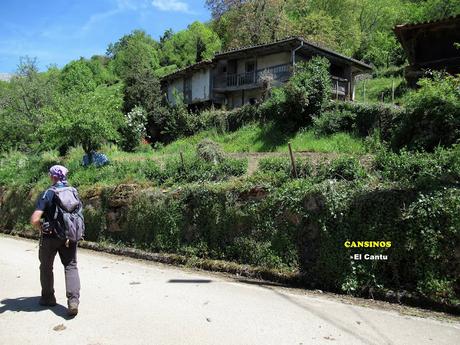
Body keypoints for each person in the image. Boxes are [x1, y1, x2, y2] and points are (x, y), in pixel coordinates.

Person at [30, 165, 81, 316]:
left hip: (50, 237)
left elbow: (35, 219)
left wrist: (41, 227)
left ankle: (48, 298)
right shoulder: (73, 192)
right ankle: (73, 301)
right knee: (71, 266)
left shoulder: (49, 193)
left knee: (46, 267)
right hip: (70, 236)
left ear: (53, 177)